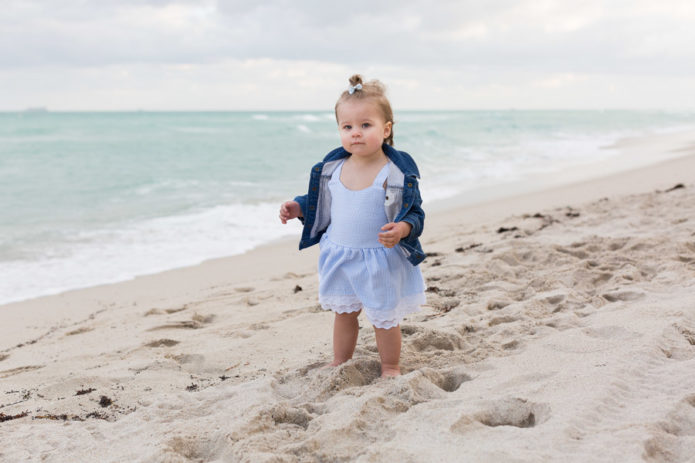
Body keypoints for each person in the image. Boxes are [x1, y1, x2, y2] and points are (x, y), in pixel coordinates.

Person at [279, 74, 426, 377]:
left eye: (365, 125)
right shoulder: (333, 168)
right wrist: (298, 207)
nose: (355, 133)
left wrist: (402, 230)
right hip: (341, 255)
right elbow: (322, 201)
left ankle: (390, 366)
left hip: (379, 259)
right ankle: (339, 361)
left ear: (386, 129)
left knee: (384, 318)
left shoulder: (395, 172)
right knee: (344, 313)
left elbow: (415, 215)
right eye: (347, 127)